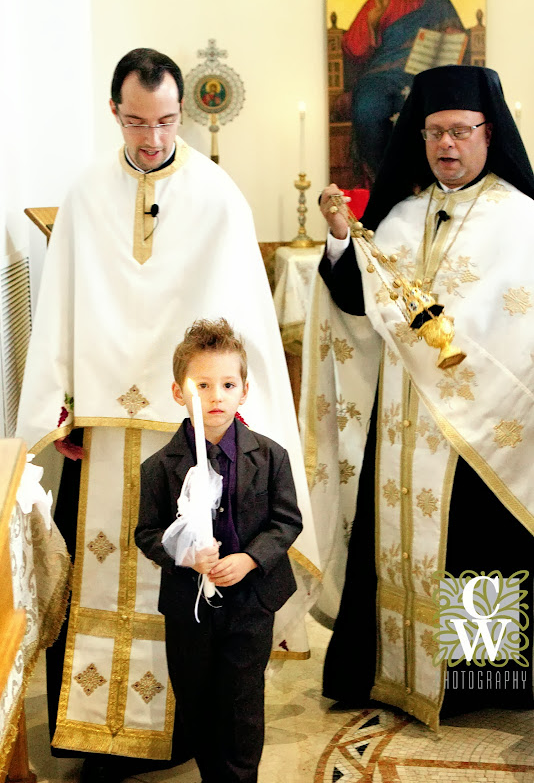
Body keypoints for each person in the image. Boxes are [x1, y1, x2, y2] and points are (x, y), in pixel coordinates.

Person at [16, 48, 318, 782]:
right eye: (135, 121)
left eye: (166, 120)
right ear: (113, 112)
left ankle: (182, 733)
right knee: (103, 573)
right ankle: (95, 738)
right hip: (109, 431)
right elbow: (60, 310)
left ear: (181, 112)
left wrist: (235, 417)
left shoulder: (218, 195)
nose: (152, 137)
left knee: (186, 582)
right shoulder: (86, 194)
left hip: (194, 435)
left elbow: (241, 320)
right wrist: (62, 410)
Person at [302, 64, 534, 730]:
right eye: (435, 133)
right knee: (390, 546)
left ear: (489, 134)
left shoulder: (522, 221)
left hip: (483, 430)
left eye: (460, 132)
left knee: (479, 545)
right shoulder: (400, 217)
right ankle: (385, 671)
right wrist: (343, 239)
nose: (447, 146)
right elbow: (354, 300)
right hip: (401, 422)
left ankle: (481, 681)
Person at [135, 318, 302, 783]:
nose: (216, 396)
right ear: (177, 392)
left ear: (244, 391)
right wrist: (182, 554)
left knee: (242, 704)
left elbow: (288, 521)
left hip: (251, 604)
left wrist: (250, 558)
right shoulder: (159, 467)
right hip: (189, 609)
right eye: (202, 385)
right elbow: (147, 533)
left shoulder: (270, 457)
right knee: (198, 701)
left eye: (228, 384)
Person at [341, 0, 463, 183]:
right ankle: (380, 179)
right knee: (367, 107)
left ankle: (417, 182)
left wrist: (452, 35)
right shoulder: (380, 2)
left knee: (418, 108)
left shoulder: (439, 3)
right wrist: (373, 20)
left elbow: (456, 44)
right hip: (380, 75)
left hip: (422, 75)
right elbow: (354, 49)